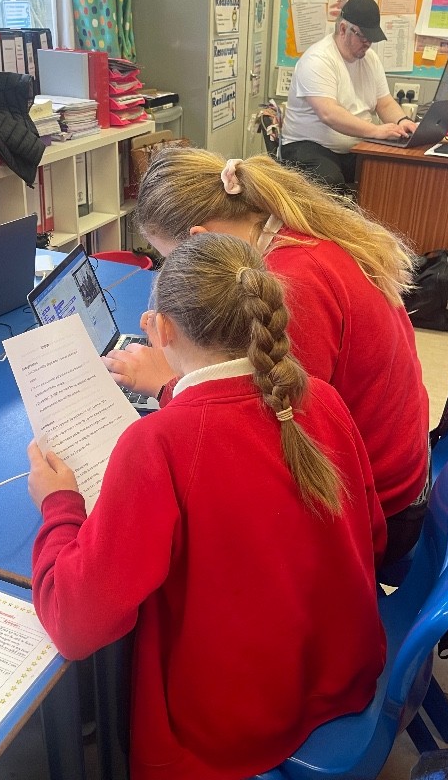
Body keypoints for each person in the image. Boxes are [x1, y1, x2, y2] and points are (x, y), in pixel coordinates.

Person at [27, 233, 388, 780]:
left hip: (238, 724)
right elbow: (373, 536)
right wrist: (172, 390)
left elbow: (74, 623)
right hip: (342, 672)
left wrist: (59, 505)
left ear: (164, 330)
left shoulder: (158, 446)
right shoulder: (321, 398)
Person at [103, 146, 430, 562]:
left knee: (179, 535)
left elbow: (266, 442)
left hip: (378, 512)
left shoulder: (292, 286)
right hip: (390, 468)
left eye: (172, 260)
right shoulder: (292, 232)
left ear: (199, 241)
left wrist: (169, 382)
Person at [280, 0, 418, 192]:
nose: (368, 43)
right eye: (363, 36)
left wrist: (402, 121)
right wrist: (377, 131)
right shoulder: (317, 59)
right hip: (308, 146)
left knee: (390, 173)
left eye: (372, 38)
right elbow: (329, 113)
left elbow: (384, 103)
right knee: (329, 180)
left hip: (354, 147)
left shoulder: (370, 59)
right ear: (343, 29)